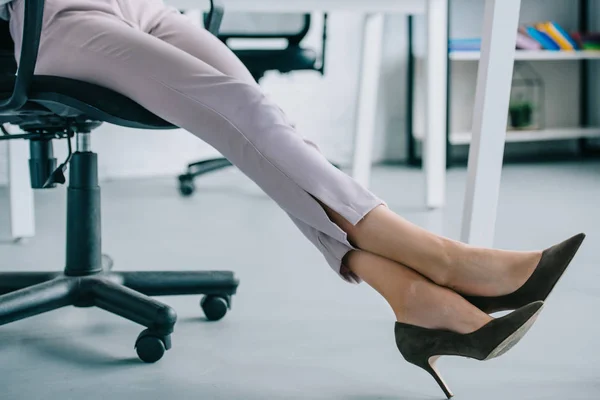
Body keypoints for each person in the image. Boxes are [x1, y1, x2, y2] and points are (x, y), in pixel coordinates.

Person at [4, 0, 585, 397]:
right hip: (55, 20)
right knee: (250, 114)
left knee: (267, 128)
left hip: (147, 9)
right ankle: (441, 261)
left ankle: (411, 297)